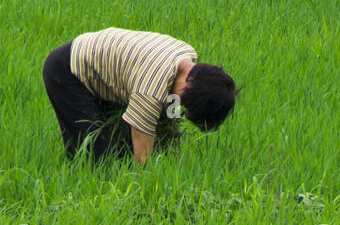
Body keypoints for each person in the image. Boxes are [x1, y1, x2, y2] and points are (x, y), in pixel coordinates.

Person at [42, 27, 239, 166]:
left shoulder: (186, 54)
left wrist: (171, 143)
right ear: (190, 87)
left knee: (117, 145)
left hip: (99, 67)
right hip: (68, 72)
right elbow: (141, 137)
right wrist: (142, 181)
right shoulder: (151, 89)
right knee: (96, 156)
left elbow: (171, 109)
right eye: (187, 104)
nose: (183, 107)